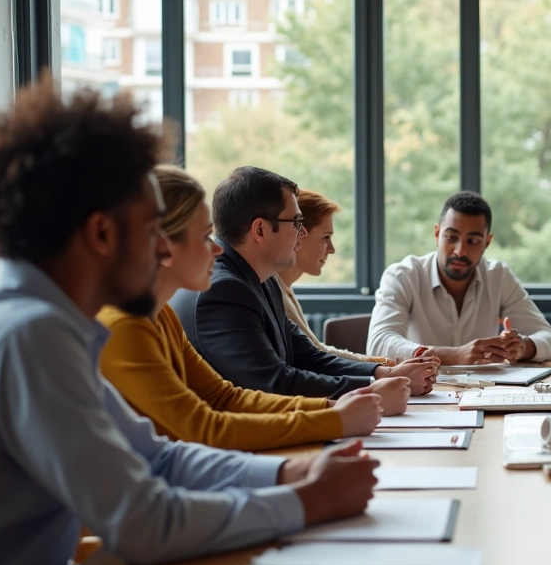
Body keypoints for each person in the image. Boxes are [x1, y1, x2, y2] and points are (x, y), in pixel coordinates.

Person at [0, 80, 379, 565]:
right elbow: (144, 523)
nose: (164, 247)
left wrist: (288, 471)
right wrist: (306, 501)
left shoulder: (37, 323)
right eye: (151, 228)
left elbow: (158, 457)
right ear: (101, 235)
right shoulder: (27, 338)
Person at [98, 166, 396, 451]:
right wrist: (334, 418)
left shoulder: (161, 315)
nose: (216, 248)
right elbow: (204, 428)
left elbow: (224, 396)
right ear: (162, 245)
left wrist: (333, 407)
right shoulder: (124, 326)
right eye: (205, 236)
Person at [170, 166, 436, 403]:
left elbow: (307, 356)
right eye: (297, 222)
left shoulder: (260, 279)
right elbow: (274, 383)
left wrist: (384, 373)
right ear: (260, 230)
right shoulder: (224, 290)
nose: (303, 232)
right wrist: (374, 387)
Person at [367, 192, 551, 365]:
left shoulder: (499, 276)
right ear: (437, 234)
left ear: (487, 242)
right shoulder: (403, 276)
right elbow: (378, 344)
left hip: (486, 393)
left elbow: (550, 339)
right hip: (421, 394)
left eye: (473, 241)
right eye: (451, 237)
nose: (460, 251)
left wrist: (522, 347)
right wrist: (453, 355)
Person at [277, 189, 394, 366]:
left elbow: (316, 349)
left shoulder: (284, 288)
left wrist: (378, 363)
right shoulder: (274, 291)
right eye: (326, 237)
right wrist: (378, 367)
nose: (331, 249)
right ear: (298, 235)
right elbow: (314, 356)